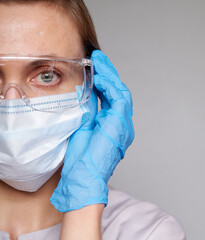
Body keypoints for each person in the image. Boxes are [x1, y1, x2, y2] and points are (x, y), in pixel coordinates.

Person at [0, 0, 186, 239]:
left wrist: (82, 207)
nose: (12, 103)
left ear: (91, 85)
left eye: (47, 75)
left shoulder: (148, 231)